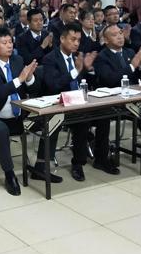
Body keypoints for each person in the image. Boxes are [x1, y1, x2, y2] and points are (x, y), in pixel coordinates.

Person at [0, 27, 42, 195]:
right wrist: (19, 80)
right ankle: (9, 174)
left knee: (52, 118)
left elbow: (34, 88)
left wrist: (29, 78)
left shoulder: (17, 60)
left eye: (10, 42)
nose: (9, 45)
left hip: (19, 118)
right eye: (4, 43)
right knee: (0, 129)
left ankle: (41, 165)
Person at [39, 23, 99, 181]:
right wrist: (75, 71)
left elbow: (86, 82)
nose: (76, 43)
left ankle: (80, 163)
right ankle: (42, 166)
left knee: (91, 117)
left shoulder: (78, 57)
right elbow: (53, 85)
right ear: (62, 39)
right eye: (73, 39)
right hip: (56, 105)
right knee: (61, 122)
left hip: (77, 104)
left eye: (78, 40)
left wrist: (89, 69)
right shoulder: (50, 58)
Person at [93, 24, 141, 173]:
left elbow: (140, 77)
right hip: (110, 101)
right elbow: (109, 79)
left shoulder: (130, 52)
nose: (119, 37)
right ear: (105, 40)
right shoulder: (102, 57)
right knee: (103, 117)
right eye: (114, 35)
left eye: (120, 33)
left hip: (132, 98)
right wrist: (132, 66)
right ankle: (101, 159)